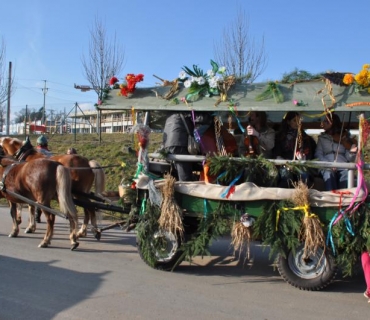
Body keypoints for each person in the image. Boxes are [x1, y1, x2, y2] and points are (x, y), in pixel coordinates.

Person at [273, 111, 316, 188]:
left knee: (304, 176)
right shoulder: (280, 137)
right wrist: (286, 164)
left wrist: (302, 157)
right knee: (286, 177)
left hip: (300, 164)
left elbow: (308, 154)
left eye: (299, 121)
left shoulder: (305, 138)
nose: (297, 123)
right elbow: (277, 154)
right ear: (288, 122)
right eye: (294, 121)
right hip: (284, 165)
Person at [314, 114, 357, 190]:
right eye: (323, 121)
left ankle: (345, 199)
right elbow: (318, 154)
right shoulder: (322, 138)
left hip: (342, 166)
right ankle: (331, 197)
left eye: (326, 121)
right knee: (328, 173)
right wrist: (328, 164)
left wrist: (352, 153)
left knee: (346, 174)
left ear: (333, 123)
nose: (323, 123)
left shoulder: (344, 137)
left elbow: (349, 159)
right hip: (326, 166)